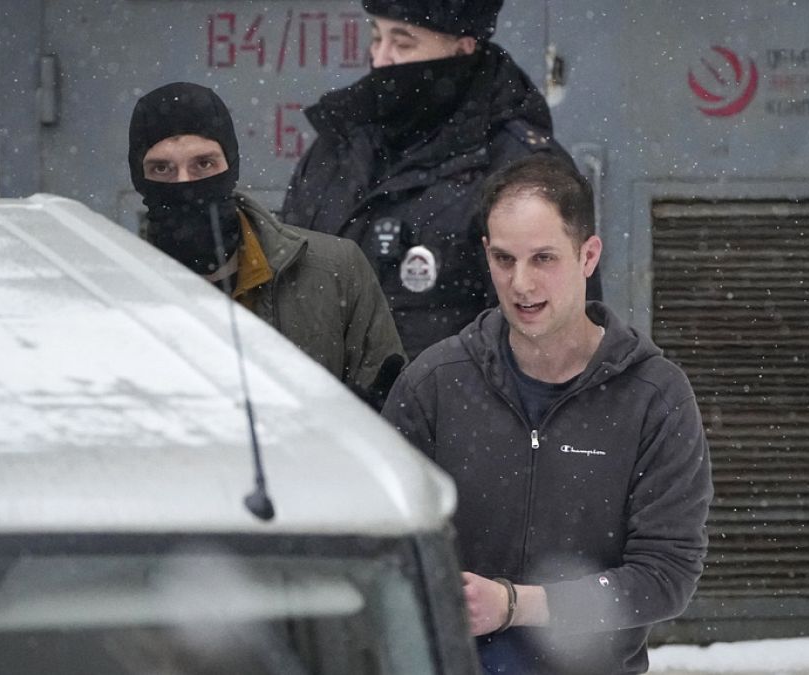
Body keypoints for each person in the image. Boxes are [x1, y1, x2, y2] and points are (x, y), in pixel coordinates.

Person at [382, 155, 712, 674]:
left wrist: (514, 605)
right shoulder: (436, 383)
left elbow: (665, 577)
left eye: (543, 259)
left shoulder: (654, 396)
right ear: (486, 254)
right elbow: (381, 545)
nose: (521, 284)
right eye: (505, 260)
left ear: (588, 256)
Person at [281, 0, 599, 361]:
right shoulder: (339, 144)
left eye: (403, 43)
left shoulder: (518, 167)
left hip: (446, 413)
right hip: (322, 407)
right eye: (376, 38)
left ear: (462, 47)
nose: (381, 58)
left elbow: (558, 344)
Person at [129, 82, 405, 408]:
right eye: (162, 169)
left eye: (204, 164)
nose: (185, 184)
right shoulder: (112, 290)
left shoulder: (334, 272)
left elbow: (391, 418)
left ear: (230, 165)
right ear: (138, 176)